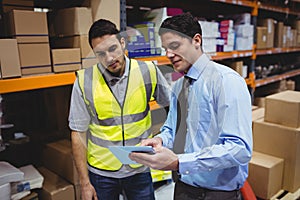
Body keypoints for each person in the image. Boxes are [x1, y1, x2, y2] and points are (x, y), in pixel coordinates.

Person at [129, 13, 253, 200]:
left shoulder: (226, 81)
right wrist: (161, 140)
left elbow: (239, 148)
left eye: (175, 46)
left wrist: (179, 162)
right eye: (165, 49)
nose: (169, 54)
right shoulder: (178, 87)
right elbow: (173, 129)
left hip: (217, 194)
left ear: (196, 40)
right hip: (184, 188)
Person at [69, 19, 170, 200]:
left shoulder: (148, 71)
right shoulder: (84, 81)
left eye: (113, 49)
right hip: (102, 173)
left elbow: (172, 108)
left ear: (122, 43)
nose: (109, 58)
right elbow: (78, 133)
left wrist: (166, 141)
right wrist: (85, 184)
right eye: (100, 53)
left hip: (139, 166)